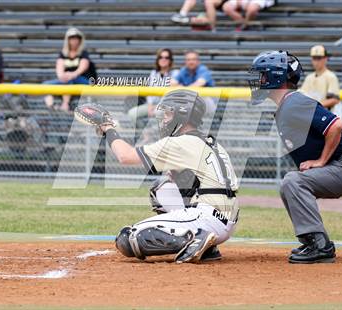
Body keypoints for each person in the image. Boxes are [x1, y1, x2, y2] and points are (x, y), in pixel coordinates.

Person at [76, 89, 239, 263]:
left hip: (208, 216)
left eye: (168, 113)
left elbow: (125, 156)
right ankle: (208, 247)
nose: (164, 118)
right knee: (160, 189)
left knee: (128, 238)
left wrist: (108, 128)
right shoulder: (209, 141)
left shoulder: (179, 142)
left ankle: (193, 239)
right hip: (226, 217)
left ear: (182, 115)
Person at [248, 50, 342, 264]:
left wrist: (321, 161)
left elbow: (336, 125)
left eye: (263, 75)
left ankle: (320, 245)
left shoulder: (294, 102)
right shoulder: (287, 106)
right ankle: (312, 242)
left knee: (292, 181)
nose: (259, 80)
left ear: (277, 77)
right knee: (290, 184)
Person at [43, 27, 95, 111]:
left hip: (83, 80)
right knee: (45, 85)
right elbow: (59, 69)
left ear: (80, 40)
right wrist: (62, 76)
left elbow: (82, 68)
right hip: (67, 79)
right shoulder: (63, 54)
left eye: (76, 38)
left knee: (70, 79)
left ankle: (65, 104)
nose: (74, 40)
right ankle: (51, 106)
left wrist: (71, 75)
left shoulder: (83, 53)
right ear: (68, 40)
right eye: (72, 38)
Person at [128, 48, 178, 133]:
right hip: (152, 104)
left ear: (170, 60)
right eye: (161, 57)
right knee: (132, 113)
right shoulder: (154, 73)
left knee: (159, 114)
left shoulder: (175, 73)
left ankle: (152, 134)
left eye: (166, 57)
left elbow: (169, 95)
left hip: (167, 107)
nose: (163, 59)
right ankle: (145, 134)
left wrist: (157, 106)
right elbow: (150, 91)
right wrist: (150, 105)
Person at [300, 45, 342, 117]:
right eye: (314, 58)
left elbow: (334, 100)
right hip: (313, 117)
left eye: (319, 58)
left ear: (325, 59)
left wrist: (315, 106)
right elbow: (302, 96)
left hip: (327, 118)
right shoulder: (309, 78)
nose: (316, 61)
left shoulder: (330, 76)